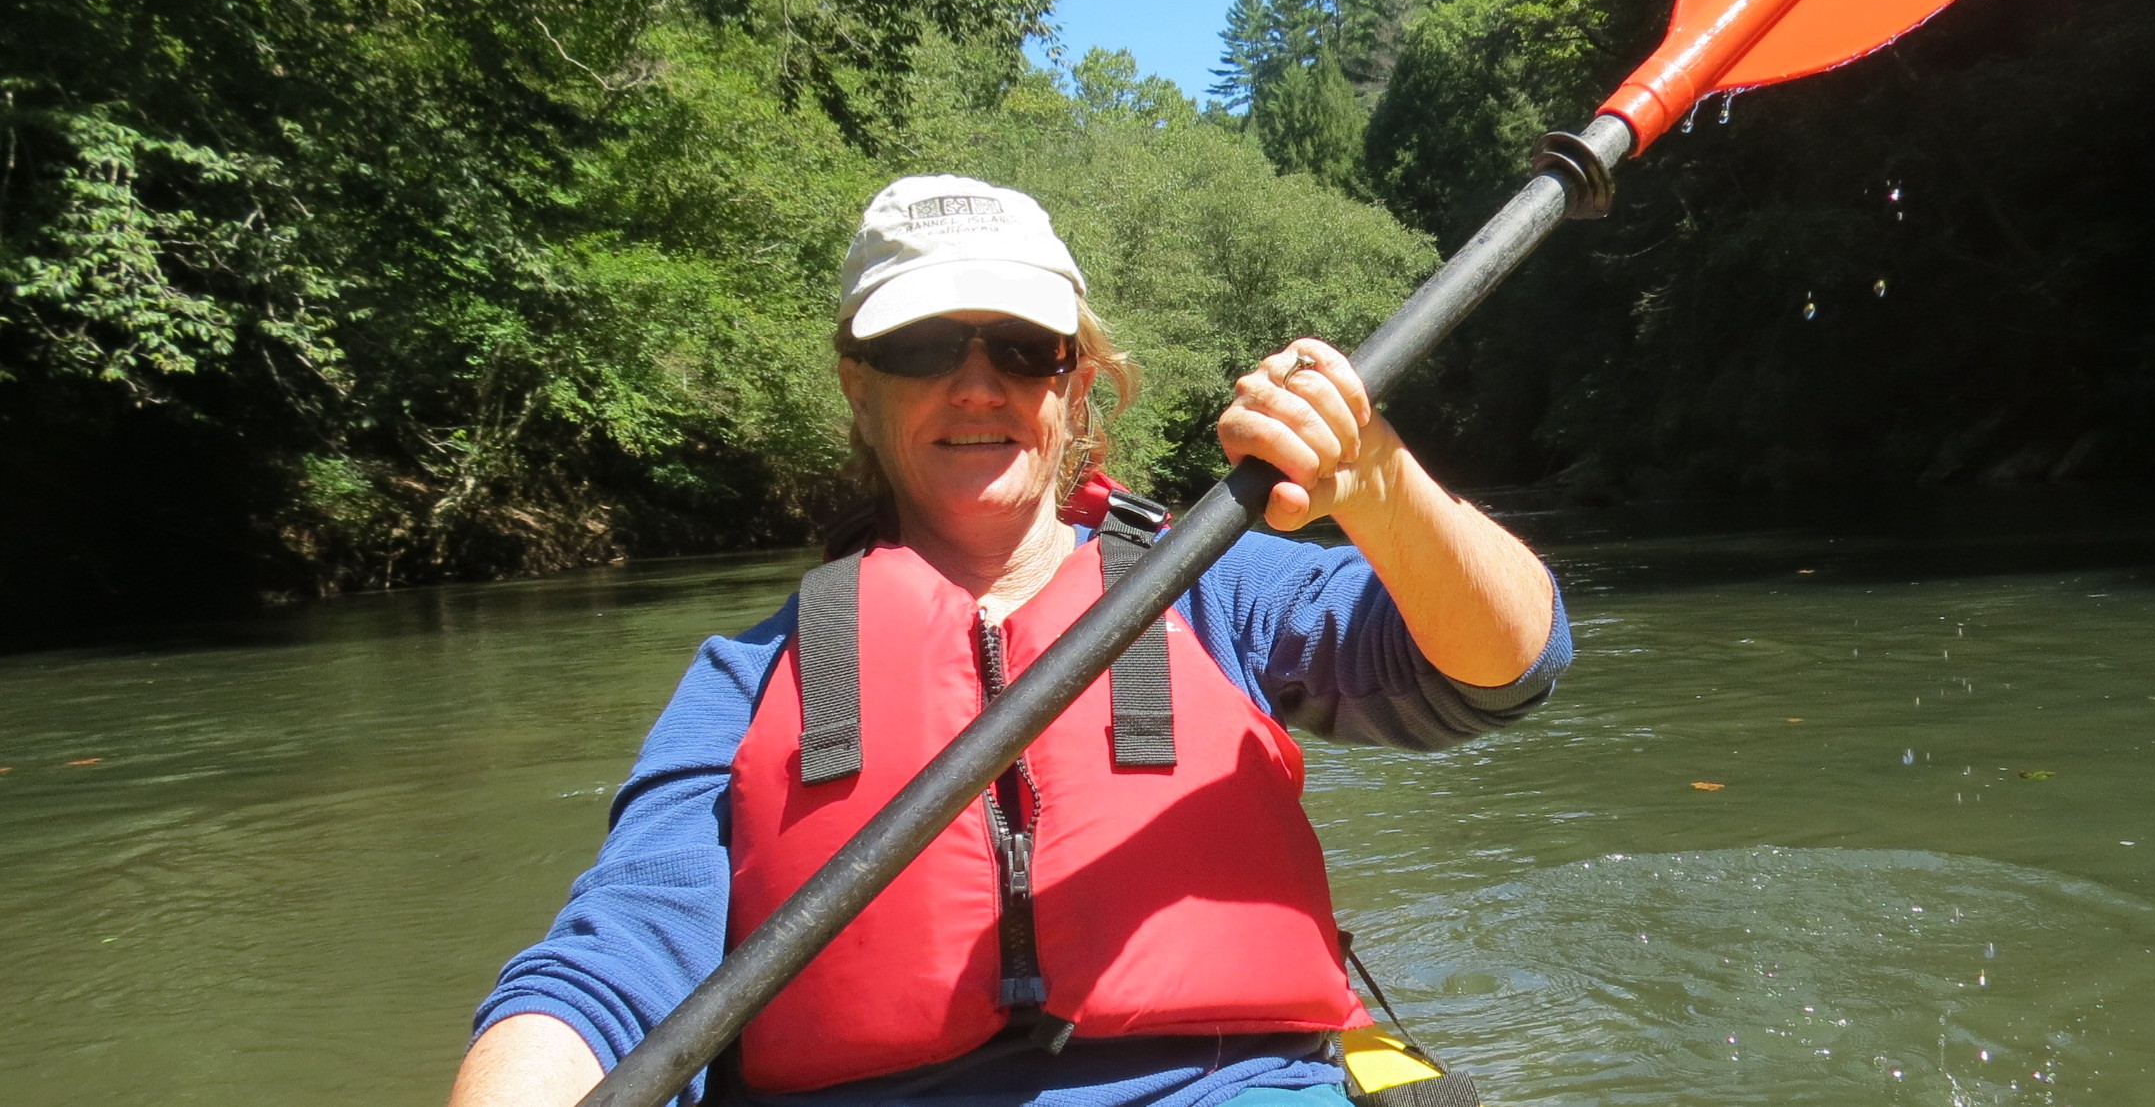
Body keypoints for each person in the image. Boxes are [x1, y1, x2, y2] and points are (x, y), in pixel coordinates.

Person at [449, 175, 1568, 1107]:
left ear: (1073, 379)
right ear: (859, 380)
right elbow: (615, 961)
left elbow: (1506, 663)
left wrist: (1377, 485)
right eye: (926, 344)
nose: (976, 384)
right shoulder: (749, 679)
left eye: (1024, 348)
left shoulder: (1213, 589)